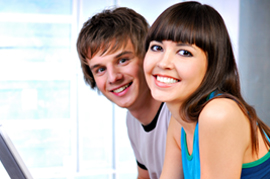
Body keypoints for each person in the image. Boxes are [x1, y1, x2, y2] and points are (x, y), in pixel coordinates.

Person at [143, 1, 270, 179]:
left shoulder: (218, 114)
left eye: (184, 52)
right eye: (157, 48)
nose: (163, 63)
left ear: (212, 65)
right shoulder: (179, 120)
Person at [76, 7, 172, 179]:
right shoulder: (133, 121)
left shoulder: (177, 114)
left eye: (122, 60)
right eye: (100, 69)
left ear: (148, 56)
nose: (113, 77)